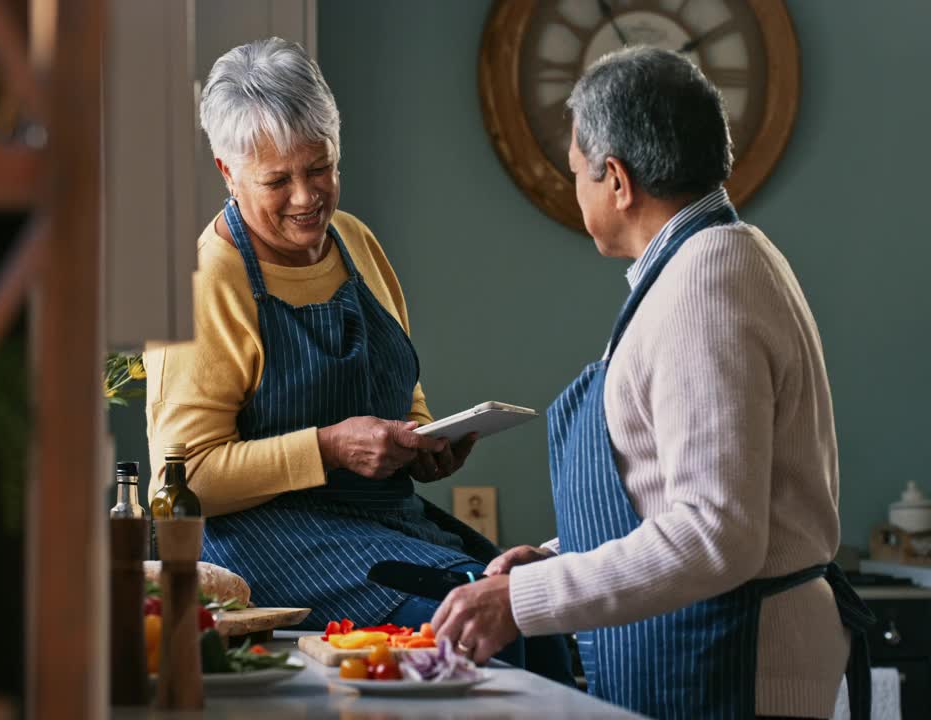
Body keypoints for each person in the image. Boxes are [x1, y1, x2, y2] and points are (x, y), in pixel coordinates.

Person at [431, 46, 873, 719]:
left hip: (738, 668)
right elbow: (672, 491)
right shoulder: (716, 261)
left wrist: (523, 601)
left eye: (576, 171)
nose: (574, 185)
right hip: (708, 653)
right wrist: (557, 555)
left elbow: (717, 530)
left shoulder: (705, 288)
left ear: (617, 179)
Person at [143, 37, 570, 681]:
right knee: (481, 627)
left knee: (531, 606)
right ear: (227, 173)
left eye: (320, 168)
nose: (306, 197)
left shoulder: (356, 243)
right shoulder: (207, 280)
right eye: (277, 180)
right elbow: (182, 482)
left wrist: (426, 443)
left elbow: (400, 390)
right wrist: (330, 449)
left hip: (383, 521)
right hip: (273, 542)